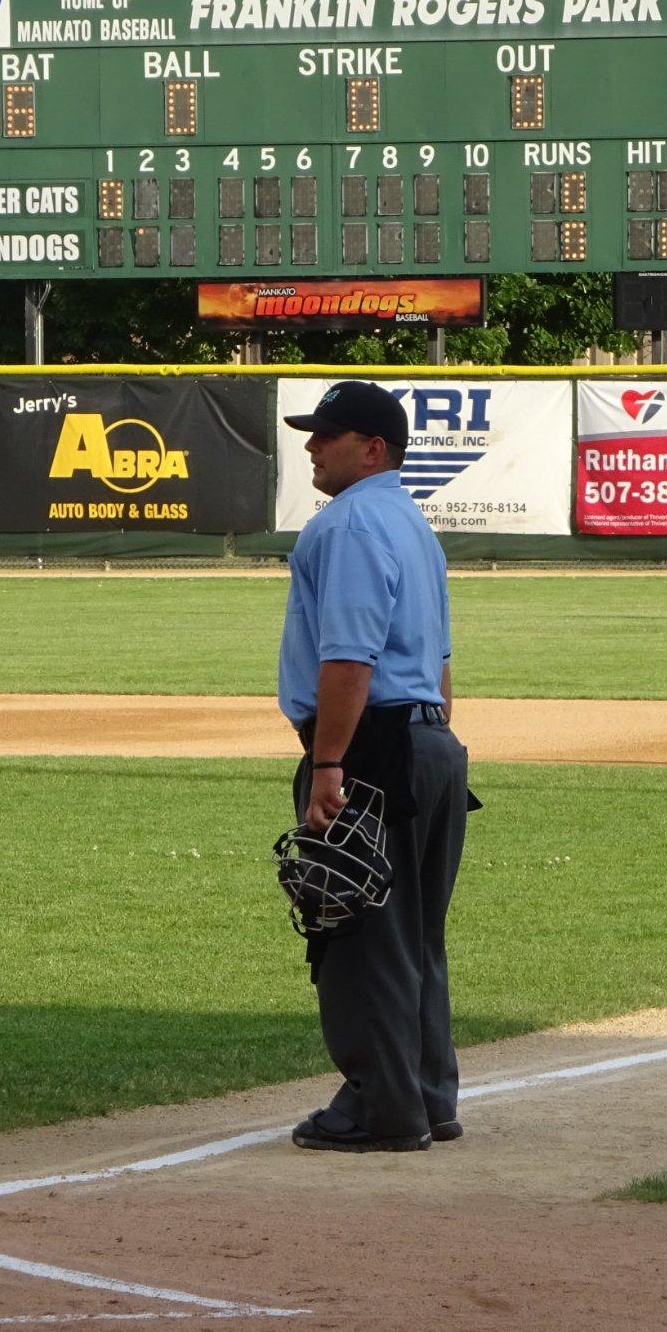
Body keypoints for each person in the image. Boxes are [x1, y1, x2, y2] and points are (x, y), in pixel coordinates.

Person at [278, 379, 473, 1153]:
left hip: (372, 746)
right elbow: (443, 659)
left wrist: (331, 762)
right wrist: (433, 749)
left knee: (362, 938)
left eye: (326, 436)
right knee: (417, 936)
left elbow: (349, 657)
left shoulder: (351, 524)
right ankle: (429, 1095)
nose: (311, 447)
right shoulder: (412, 523)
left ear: (373, 448)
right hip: (428, 745)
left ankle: (381, 1108)